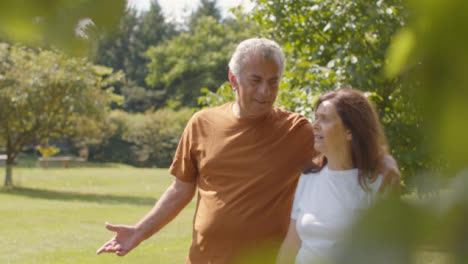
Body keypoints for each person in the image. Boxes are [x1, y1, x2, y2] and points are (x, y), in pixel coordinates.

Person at [96, 38, 400, 263]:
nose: (265, 91)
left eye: (273, 82)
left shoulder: (298, 130)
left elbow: (348, 140)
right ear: (233, 80)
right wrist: (139, 231)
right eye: (255, 81)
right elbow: (180, 189)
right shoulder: (202, 123)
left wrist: (385, 159)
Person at [276, 88, 393, 264]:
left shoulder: (377, 182)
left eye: (325, 119)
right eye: (316, 117)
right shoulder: (308, 178)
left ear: (349, 132)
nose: (315, 125)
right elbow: (291, 244)